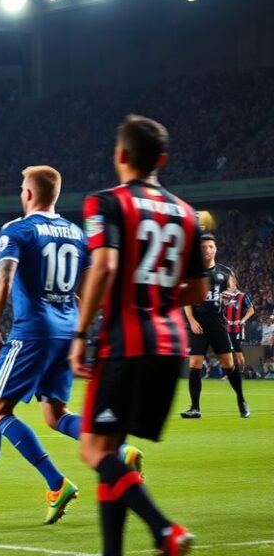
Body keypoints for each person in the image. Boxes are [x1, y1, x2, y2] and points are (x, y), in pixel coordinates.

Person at [70, 114, 208, 556]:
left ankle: (163, 529)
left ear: (121, 155)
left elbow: (105, 267)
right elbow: (199, 289)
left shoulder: (104, 203)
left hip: (125, 344)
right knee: (111, 454)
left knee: (92, 450)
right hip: (170, 347)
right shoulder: (187, 213)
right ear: (161, 160)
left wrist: (80, 334)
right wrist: (159, 294)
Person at [0, 165, 93, 524]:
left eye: (22, 188)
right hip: (67, 330)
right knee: (55, 415)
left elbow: (4, 278)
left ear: (28, 194)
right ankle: (117, 447)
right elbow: (89, 289)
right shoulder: (76, 233)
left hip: (32, 332)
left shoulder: (17, 229)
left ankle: (32, 488)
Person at [181, 234, 249, 419]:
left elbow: (232, 291)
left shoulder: (225, 271)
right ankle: (195, 407)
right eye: (203, 247)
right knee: (194, 363)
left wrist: (228, 298)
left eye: (210, 247)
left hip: (218, 324)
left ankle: (241, 400)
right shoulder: (193, 271)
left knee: (229, 364)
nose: (207, 250)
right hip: (199, 325)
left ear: (215, 249)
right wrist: (192, 320)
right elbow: (186, 298)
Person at [223, 275, 255, 372]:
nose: (229, 283)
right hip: (226, 328)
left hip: (237, 328)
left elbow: (251, 310)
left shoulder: (242, 296)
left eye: (231, 281)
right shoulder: (224, 295)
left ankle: (241, 372)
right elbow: (219, 310)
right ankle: (231, 373)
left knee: (237, 351)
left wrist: (243, 320)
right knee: (227, 352)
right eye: (228, 281)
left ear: (235, 282)